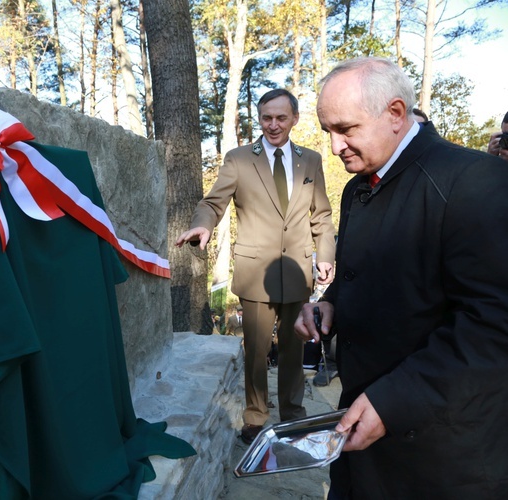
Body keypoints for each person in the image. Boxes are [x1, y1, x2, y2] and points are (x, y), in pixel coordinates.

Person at [295, 57, 508, 498]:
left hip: (440, 453)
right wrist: (331, 299)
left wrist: (394, 402)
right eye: (327, 131)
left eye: (346, 129)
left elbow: (493, 325)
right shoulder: (359, 187)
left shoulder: (476, 183)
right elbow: (369, 266)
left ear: (395, 114)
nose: (334, 147)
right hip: (364, 432)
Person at [176, 89, 336, 445]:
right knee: (257, 352)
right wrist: (203, 224)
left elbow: (322, 217)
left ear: (294, 118)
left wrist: (326, 255)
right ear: (259, 119)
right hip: (254, 274)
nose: (273, 125)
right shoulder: (238, 159)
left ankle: (293, 417)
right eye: (266, 118)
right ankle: (255, 416)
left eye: (281, 117)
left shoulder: (310, 160)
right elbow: (213, 202)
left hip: (298, 272)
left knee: (295, 352)